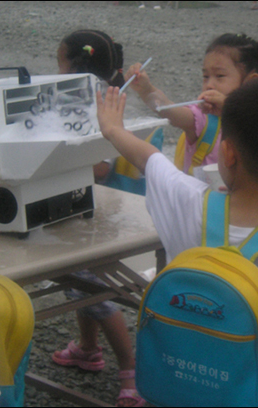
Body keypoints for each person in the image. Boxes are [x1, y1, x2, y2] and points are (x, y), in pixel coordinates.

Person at [96, 78, 258, 407]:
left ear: (228, 152)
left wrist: (112, 128)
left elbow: (149, 158)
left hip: (178, 392)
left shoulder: (186, 201)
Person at [54, 29, 147, 408]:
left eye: (58, 61)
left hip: (103, 210)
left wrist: (55, 161)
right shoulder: (96, 94)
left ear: (74, 64)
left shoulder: (98, 102)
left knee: (95, 291)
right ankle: (89, 349)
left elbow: (98, 168)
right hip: (92, 208)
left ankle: (130, 373)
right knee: (80, 284)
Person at [125, 33, 258, 175]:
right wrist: (146, 90)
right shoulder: (205, 118)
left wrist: (230, 109)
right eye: (205, 76)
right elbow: (169, 110)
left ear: (251, 83)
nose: (209, 84)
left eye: (220, 76)